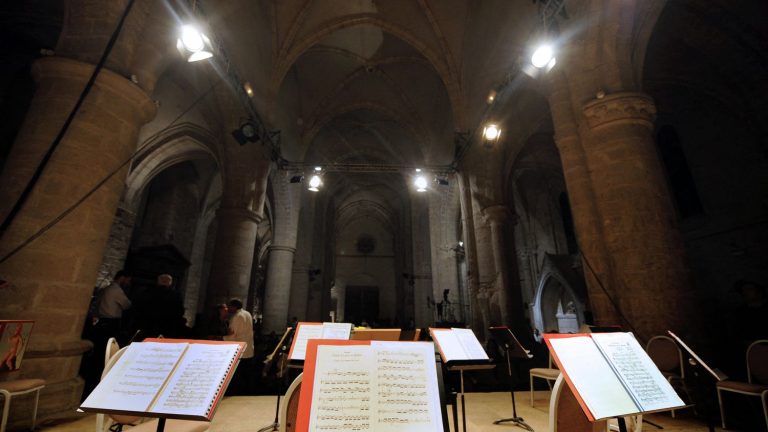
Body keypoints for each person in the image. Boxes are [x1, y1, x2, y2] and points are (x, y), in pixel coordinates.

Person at [133, 274, 185, 339]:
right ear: (170, 283)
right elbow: (180, 311)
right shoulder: (175, 295)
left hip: (148, 326)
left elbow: (139, 308)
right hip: (168, 327)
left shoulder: (147, 292)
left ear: (158, 282)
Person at [224, 298, 255, 394]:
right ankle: (246, 393)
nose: (228, 308)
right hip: (248, 350)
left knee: (238, 377)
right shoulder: (247, 313)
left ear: (234, 306)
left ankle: (238, 393)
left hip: (239, 351)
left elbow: (232, 335)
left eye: (230, 306)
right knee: (246, 376)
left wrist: (220, 338)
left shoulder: (237, 316)